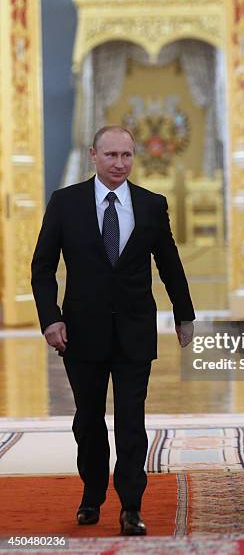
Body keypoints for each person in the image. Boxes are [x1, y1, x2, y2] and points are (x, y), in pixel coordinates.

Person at [31, 125, 195, 535]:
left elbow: (170, 264)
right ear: (93, 155)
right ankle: (91, 495)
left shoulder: (151, 205)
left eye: (127, 156)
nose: (120, 163)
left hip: (134, 332)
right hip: (80, 334)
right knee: (87, 420)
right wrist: (51, 318)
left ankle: (131, 506)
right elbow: (42, 268)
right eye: (111, 156)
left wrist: (184, 314)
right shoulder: (65, 203)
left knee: (130, 420)